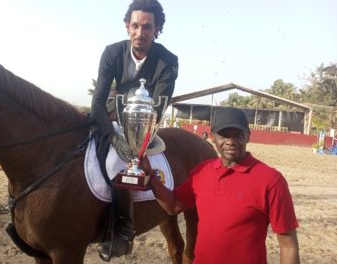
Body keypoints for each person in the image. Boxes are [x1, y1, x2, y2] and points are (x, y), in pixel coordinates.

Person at [150, 107, 300, 264]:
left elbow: (288, 246)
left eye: (238, 135)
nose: (231, 141)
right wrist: (150, 178)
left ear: (248, 136)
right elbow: (173, 206)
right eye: (224, 135)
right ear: (213, 137)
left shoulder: (271, 180)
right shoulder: (201, 172)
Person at [90, 0, 178, 260]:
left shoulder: (168, 61)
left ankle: (124, 230)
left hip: (145, 121)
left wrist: (132, 142)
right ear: (128, 26)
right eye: (136, 25)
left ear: (157, 29)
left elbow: (159, 108)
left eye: (147, 27)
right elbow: (97, 102)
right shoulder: (111, 53)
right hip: (112, 111)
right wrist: (112, 137)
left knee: (120, 160)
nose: (140, 32)